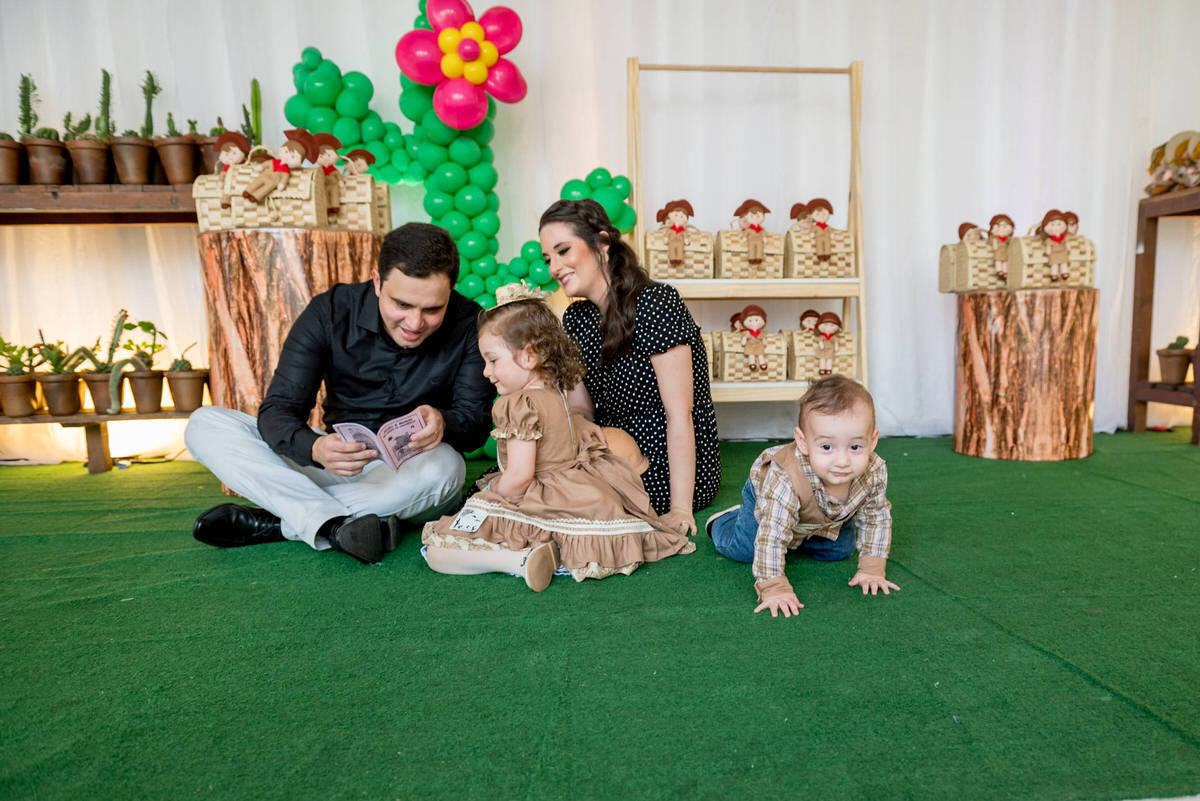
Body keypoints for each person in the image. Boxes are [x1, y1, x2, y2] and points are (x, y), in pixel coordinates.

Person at [185, 223, 494, 563]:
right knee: (205, 424)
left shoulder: (470, 323)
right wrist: (315, 447)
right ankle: (339, 523)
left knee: (448, 469)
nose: (414, 322)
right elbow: (279, 410)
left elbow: (475, 426)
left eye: (432, 309)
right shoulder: (329, 311)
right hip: (333, 462)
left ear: (450, 292)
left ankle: (286, 522)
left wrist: (444, 422)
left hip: (413, 471)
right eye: (402, 304)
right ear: (377, 282)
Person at [422, 297, 695, 591]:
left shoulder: (516, 404)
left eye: (493, 360)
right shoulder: (556, 393)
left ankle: (519, 561)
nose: (486, 372)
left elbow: (521, 476)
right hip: (574, 489)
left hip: (536, 491)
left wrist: (492, 496)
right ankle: (550, 551)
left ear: (529, 356)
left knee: (438, 551)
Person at [540, 199, 721, 535]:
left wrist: (681, 509)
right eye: (548, 258)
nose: (554, 267)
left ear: (601, 244)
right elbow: (579, 407)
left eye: (563, 251)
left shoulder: (657, 303)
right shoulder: (577, 318)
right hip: (607, 449)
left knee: (557, 491)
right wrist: (579, 422)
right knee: (538, 463)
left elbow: (680, 416)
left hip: (669, 462)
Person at [706, 376, 898, 618]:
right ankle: (725, 521)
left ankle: (800, 534)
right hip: (769, 501)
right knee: (746, 550)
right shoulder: (784, 478)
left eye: (855, 447)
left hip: (824, 512)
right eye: (827, 447)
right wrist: (774, 588)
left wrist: (872, 569)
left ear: (872, 441)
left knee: (838, 552)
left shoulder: (874, 470)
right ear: (803, 442)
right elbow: (772, 535)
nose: (842, 461)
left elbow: (875, 517)